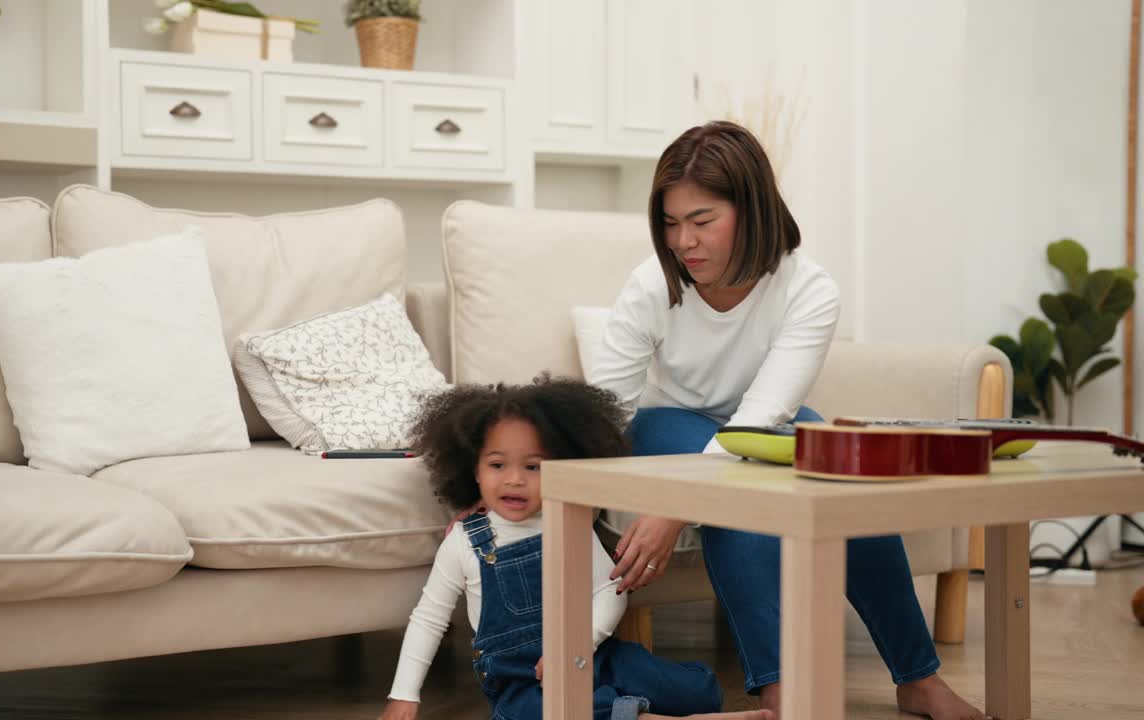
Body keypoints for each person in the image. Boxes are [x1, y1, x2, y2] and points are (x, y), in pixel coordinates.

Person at [587, 121, 984, 720]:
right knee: (738, 497)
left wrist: (672, 510)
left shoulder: (809, 288)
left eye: (702, 221)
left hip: (763, 422)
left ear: (751, 210)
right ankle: (778, 688)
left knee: (849, 483)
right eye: (670, 223)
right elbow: (600, 412)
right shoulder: (651, 285)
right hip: (670, 419)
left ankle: (918, 678)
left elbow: (762, 417)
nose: (683, 242)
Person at [379, 376, 770, 720]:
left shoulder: (569, 523)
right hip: (524, 679)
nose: (514, 480)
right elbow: (429, 618)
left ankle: (633, 705)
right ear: (473, 469)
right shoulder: (465, 541)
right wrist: (404, 695)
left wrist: (579, 646)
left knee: (692, 690)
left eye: (533, 467)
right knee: (533, 712)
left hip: (595, 653)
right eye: (498, 465)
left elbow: (609, 590)